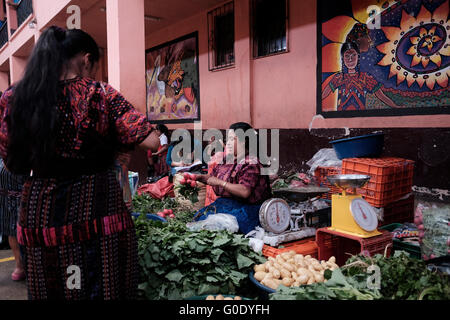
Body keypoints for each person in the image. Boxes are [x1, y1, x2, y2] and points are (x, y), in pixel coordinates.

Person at [0, 26, 159, 300]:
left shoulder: (16, 98)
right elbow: (151, 141)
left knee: (52, 289)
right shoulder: (100, 94)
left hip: (41, 215)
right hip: (96, 211)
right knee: (103, 286)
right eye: (93, 66)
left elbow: (12, 163)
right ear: (86, 60)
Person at [195, 122, 272, 234]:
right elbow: (213, 177)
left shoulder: (251, 162)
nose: (228, 143)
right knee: (200, 219)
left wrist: (220, 183)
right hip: (227, 204)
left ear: (243, 140)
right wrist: (202, 178)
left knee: (221, 229)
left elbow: (244, 191)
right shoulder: (227, 160)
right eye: (228, 139)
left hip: (247, 210)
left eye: (232, 139)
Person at [322, 41, 401, 110]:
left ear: (358, 57)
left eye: (353, 55)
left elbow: (381, 96)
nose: (350, 59)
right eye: (347, 56)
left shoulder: (366, 77)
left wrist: (395, 106)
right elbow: (324, 94)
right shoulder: (339, 77)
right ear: (342, 58)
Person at [0, 158, 26, 281]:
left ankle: (28, 264)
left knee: (25, 230)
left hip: (24, 194)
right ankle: (19, 264)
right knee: (11, 230)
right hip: (5, 195)